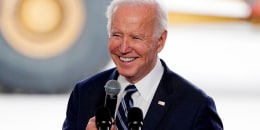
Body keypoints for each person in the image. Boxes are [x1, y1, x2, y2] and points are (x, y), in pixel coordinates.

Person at [62, 0, 223, 130]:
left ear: (160, 41)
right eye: (116, 35)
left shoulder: (194, 107)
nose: (124, 48)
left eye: (136, 38)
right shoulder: (84, 94)